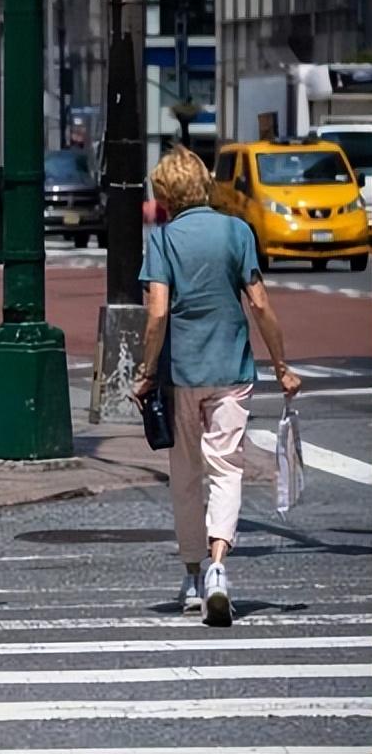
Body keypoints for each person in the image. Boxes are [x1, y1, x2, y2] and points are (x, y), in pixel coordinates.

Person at [133, 146, 301, 628]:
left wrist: (146, 374)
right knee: (227, 469)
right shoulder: (236, 231)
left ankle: (190, 577)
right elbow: (261, 304)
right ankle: (219, 569)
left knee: (185, 475)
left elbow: (158, 313)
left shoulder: (162, 240)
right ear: (204, 184)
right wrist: (282, 364)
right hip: (232, 367)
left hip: (181, 372)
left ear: (165, 193)